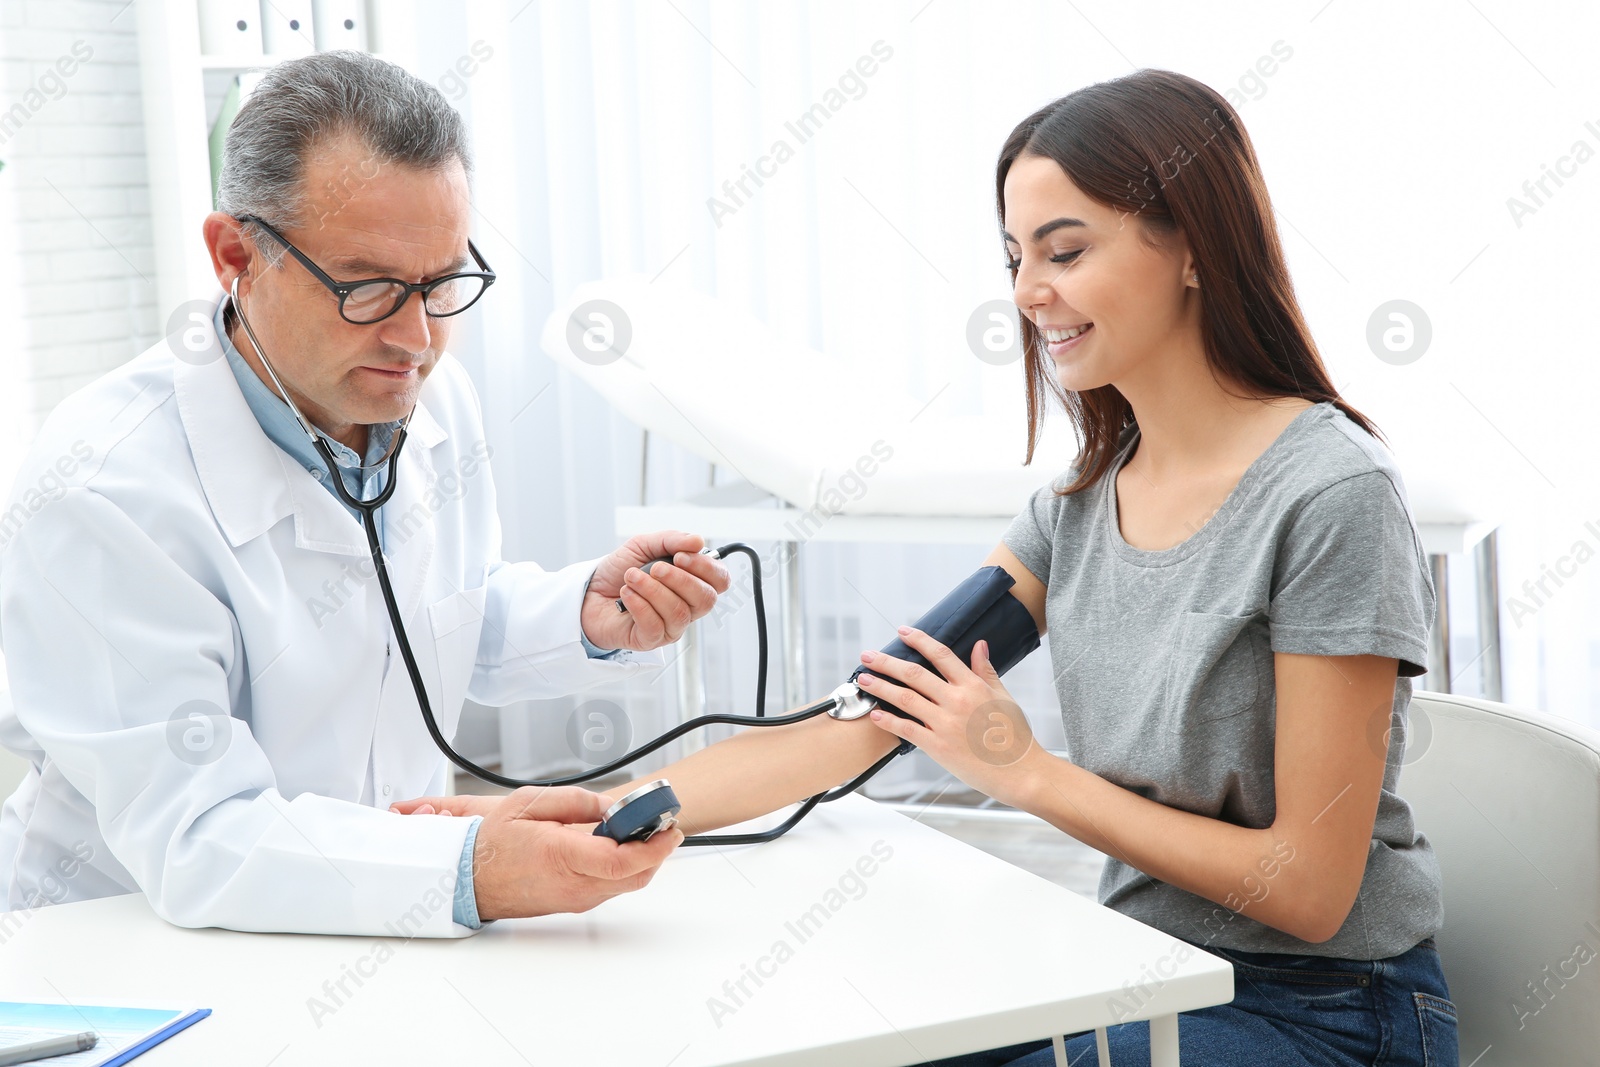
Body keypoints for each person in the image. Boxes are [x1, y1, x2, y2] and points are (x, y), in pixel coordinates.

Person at [400, 69, 1459, 1064]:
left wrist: (1026, 774)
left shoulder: (1329, 496)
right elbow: (860, 721)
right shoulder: (1078, 506)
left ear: (1192, 247)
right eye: (1014, 258)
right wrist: (604, 804)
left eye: (1065, 249)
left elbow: (1312, 887)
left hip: (1327, 1010)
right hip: (1148, 975)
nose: (1029, 292)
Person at [0, 50, 739, 937]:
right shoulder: (102, 489)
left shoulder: (425, 394)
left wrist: (584, 612)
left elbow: (422, 624)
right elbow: (199, 834)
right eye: (371, 287)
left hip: (378, 918)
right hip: (132, 950)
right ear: (236, 254)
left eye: (441, 283)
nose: (418, 337)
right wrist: (473, 871)